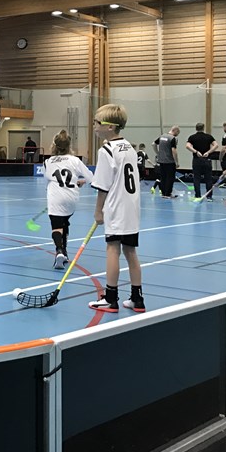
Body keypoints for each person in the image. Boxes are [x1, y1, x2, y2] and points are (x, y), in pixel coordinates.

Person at [88, 104, 145, 313]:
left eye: (97, 122)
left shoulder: (106, 151)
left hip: (116, 207)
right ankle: (137, 298)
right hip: (132, 208)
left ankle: (110, 298)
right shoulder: (129, 147)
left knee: (113, 249)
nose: (94, 126)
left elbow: (103, 186)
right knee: (130, 251)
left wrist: (98, 211)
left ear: (110, 127)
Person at [43, 130, 90, 269]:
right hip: (71, 198)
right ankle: (65, 253)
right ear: (69, 146)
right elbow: (91, 177)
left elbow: (47, 182)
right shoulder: (75, 160)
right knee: (64, 222)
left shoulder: (48, 162)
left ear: (54, 146)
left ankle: (59, 251)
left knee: (56, 226)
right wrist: (81, 182)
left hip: (55, 197)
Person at [185, 122, 217, 201]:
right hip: (207, 159)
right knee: (208, 178)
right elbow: (216, 145)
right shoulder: (208, 136)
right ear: (203, 128)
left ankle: (197, 195)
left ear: (196, 128)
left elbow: (187, 146)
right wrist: (208, 152)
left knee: (196, 178)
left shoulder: (192, 137)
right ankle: (209, 196)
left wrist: (196, 152)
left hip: (197, 159)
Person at [152, 125, 180, 198]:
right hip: (170, 161)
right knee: (170, 178)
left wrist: (157, 153)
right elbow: (174, 150)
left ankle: (163, 193)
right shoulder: (172, 138)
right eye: (178, 133)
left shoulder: (162, 136)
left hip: (161, 161)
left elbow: (153, 144)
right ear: (175, 130)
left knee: (163, 177)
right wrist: (176, 162)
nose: (177, 135)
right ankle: (168, 194)